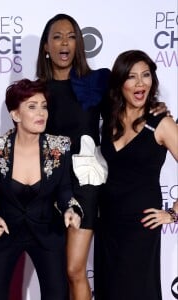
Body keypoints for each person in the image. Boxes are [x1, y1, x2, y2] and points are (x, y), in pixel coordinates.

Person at [36, 13, 168, 300]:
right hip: (46, 188)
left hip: (85, 187)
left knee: (74, 270)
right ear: (46, 46)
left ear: (79, 44)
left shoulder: (95, 83)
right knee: (55, 273)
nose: (65, 43)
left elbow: (129, 102)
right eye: (57, 36)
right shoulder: (36, 92)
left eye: (71, 36)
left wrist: (155, 110)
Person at [0, 78, 83, 300]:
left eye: (43, 106)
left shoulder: (59, 147)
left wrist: (71, 210)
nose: (41, 113)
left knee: (57, 295)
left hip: (47, 231)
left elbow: (64, 191)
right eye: (32, 107)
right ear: (15, 115)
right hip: (5, 231)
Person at [94, 50, 178, 300]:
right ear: (120, 83)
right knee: (109, 290)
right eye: (132, 77)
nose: (141, 83)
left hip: (141, 225)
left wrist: (174, 212)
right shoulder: (110, 118)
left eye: (146, 75)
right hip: (107, 222)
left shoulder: (161, 122)